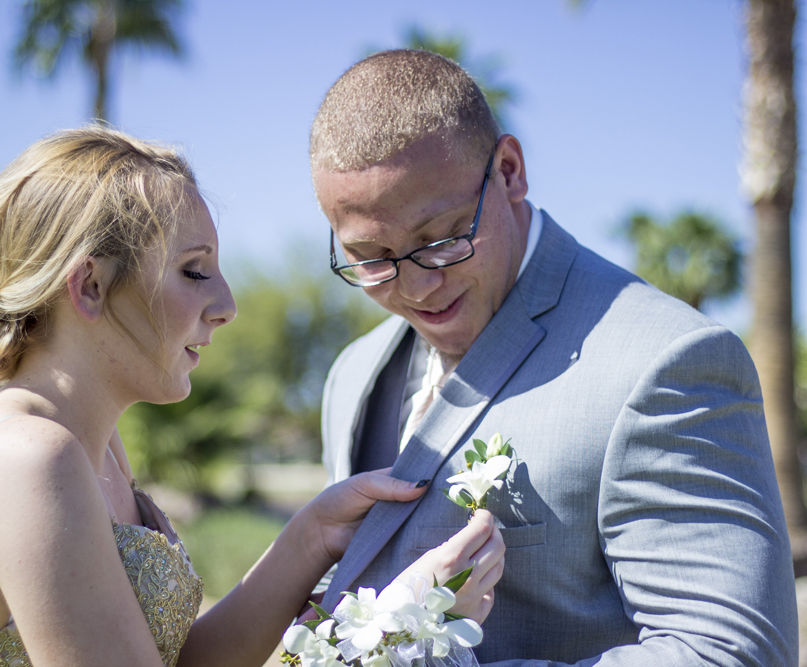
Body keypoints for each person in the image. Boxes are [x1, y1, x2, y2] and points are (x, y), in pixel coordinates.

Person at [0, 125, 506, 667]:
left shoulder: (96, 449)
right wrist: (393, 624)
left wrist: (312, 535)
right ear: (91, 286)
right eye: (195, 272)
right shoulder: (27, 460)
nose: (226, 306)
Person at [312, 49, 798, 666]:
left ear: (510, 171)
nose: (414, 287)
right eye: (371, 257)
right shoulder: (352, 373)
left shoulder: (665, 362)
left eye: (440, 240)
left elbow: (732, 656)